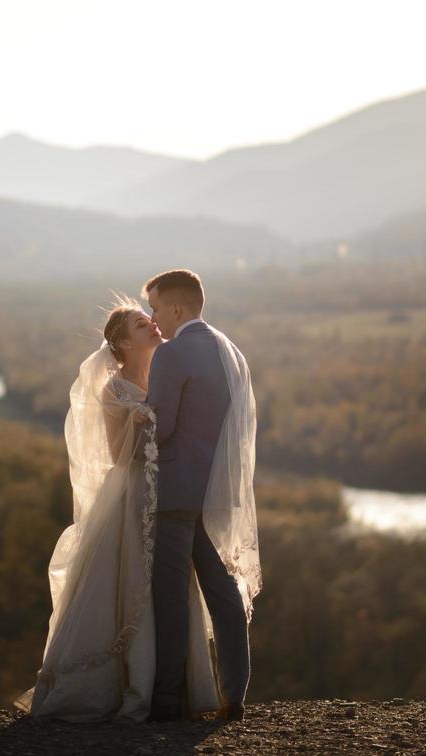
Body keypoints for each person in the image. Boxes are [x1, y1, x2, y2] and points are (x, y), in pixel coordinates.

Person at [15, 297, 220, 722]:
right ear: (123, 344)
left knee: (175, 586)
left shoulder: (167, 375)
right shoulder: (115, 391)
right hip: (131, 497)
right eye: (142, 324)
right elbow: (117, 452)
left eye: (151, 319)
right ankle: (126, 685)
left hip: (172, 495)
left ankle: (174, 688)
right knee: (125, 585)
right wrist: (143, 421)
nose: (153, 325)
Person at [142, 268, 259, 723]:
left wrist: (137, 418)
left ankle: (167, 699)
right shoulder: (229, 350)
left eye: (155, 308)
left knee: (170, 596)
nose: (154, 319)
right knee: (222, 590)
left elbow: (163, 426)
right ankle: (234, 694)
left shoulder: (172, 355)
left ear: (176, 307)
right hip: (217, 489)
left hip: (175, 492)